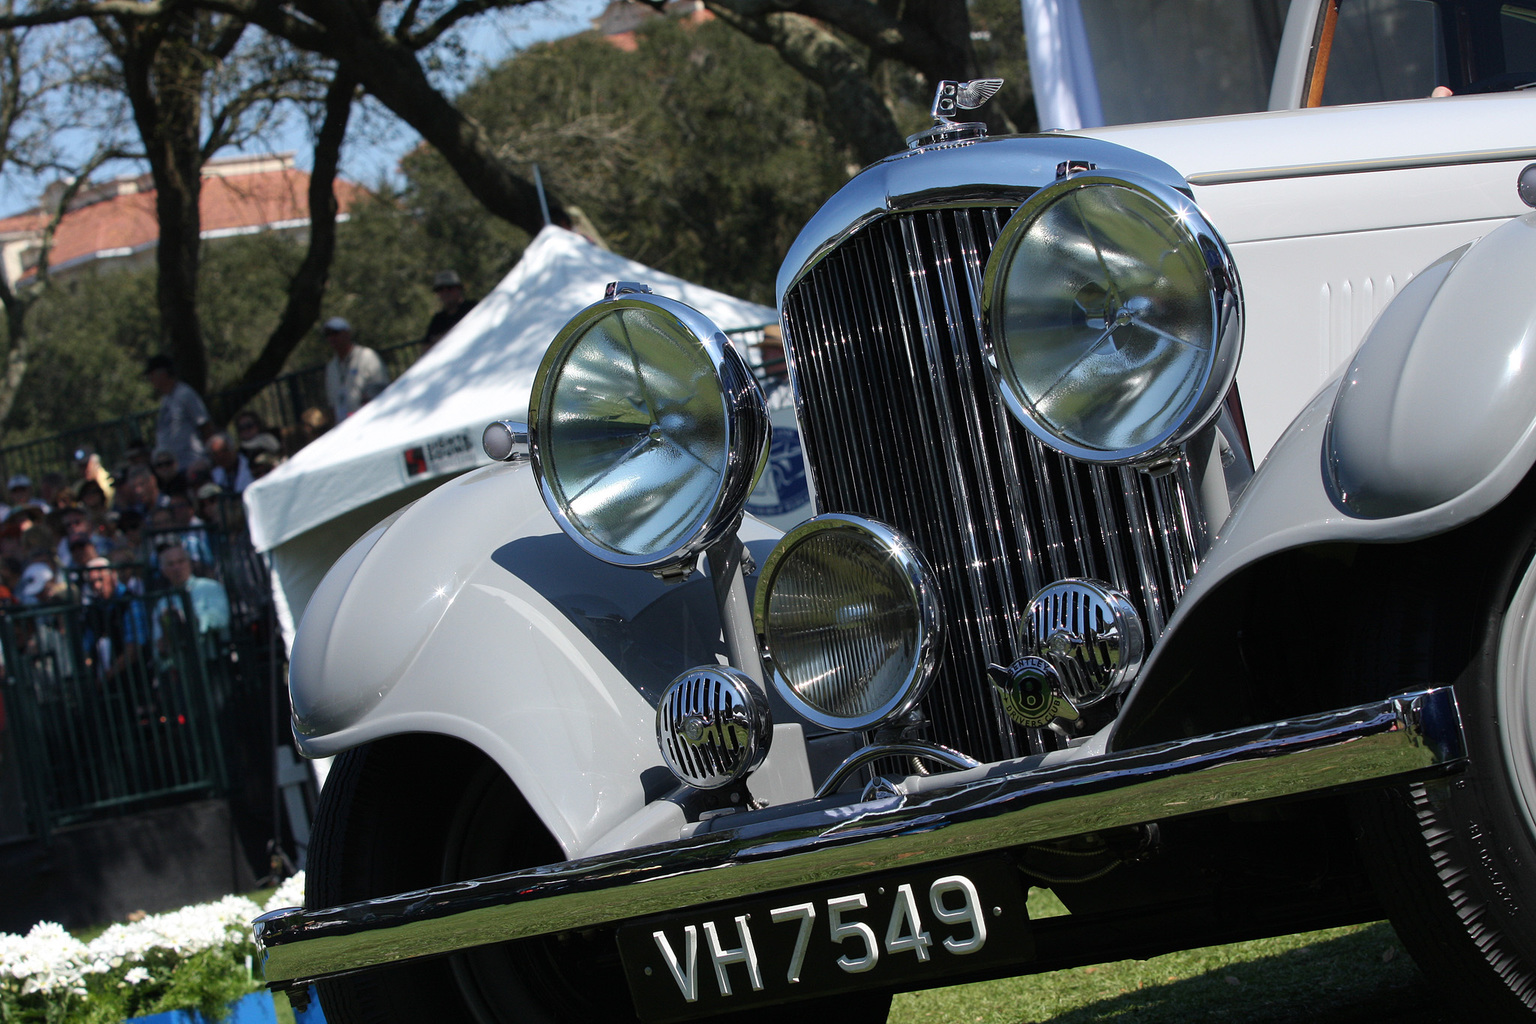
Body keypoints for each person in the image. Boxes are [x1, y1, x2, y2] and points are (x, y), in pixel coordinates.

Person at [152, 542, 230, 661]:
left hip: (213, 658)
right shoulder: (162, 603)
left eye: (181, 561)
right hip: (182, 666)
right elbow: (158, 644)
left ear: (189, 563)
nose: (177, 567)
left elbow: (221, 619)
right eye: (171, 564)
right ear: (163, 571)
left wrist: (193, 621)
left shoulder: (210, 587)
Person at [145, 355, 212, 470]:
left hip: (192, 463)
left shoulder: (185, 394)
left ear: (163, 373)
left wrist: (209, 457)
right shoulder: (166, 399)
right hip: (174, 467)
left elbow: (205, 425)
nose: (150, 379)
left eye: (152, 375)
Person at [322, 317, 391, 421]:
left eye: (335, 333)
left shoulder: (366, 356)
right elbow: (332, 404)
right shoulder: (331, 367)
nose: (332, 338)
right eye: (328, 334)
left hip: (369, 421)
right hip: (344, 425)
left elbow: (381, 391)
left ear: (347, 333)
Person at [422, 270, 476, 350]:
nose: (445, 292)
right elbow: (426, 348)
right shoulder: (438, 320)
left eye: (449, 288)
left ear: (459, 289)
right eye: (440, 289)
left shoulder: (472, 308)